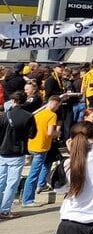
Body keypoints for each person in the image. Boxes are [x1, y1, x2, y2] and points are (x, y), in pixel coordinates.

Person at [0, 91, 37, 219]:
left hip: (3, 151)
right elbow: (32, 134)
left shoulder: (4, 115)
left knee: (1, 181)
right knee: (12, 183)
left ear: (13, 101)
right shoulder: (28, 116)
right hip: (17, 152)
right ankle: (5, 210)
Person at [21, 94, 61, 206]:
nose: (58, 108)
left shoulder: (38, 113)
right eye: (58, 105)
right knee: (34, 173)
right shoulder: (52, 115)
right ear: (54, 103)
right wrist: (57, 133)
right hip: (42, 146)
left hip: (32, 144)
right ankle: (28, 200)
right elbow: (50, 133)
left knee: (37, 170)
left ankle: (39, 186)